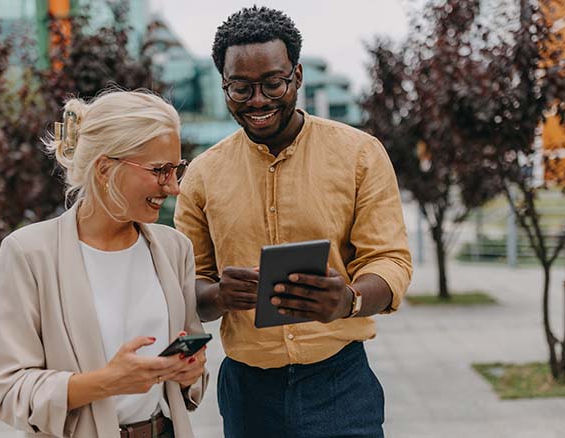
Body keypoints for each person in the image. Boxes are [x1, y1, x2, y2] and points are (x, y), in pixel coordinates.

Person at [174, 6, 412, 438]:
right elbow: (187, 286)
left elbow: (390, 261)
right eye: (240, 89)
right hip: (248, 391)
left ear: (297, 77)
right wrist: (219, 295)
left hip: (340, 384)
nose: (258, 100)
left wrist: (350, 300)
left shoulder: (360, 154)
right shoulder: (203, 175)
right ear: (223, 85)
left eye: (273, 83)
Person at [0, 90, 208, 438]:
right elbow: (9, 390)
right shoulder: (28, 254)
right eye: (160, 170)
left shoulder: (174, 248)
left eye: (177, 169)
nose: (174, 187)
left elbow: (190, 371)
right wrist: (106, 382)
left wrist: (190, 373)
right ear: (105, 169)